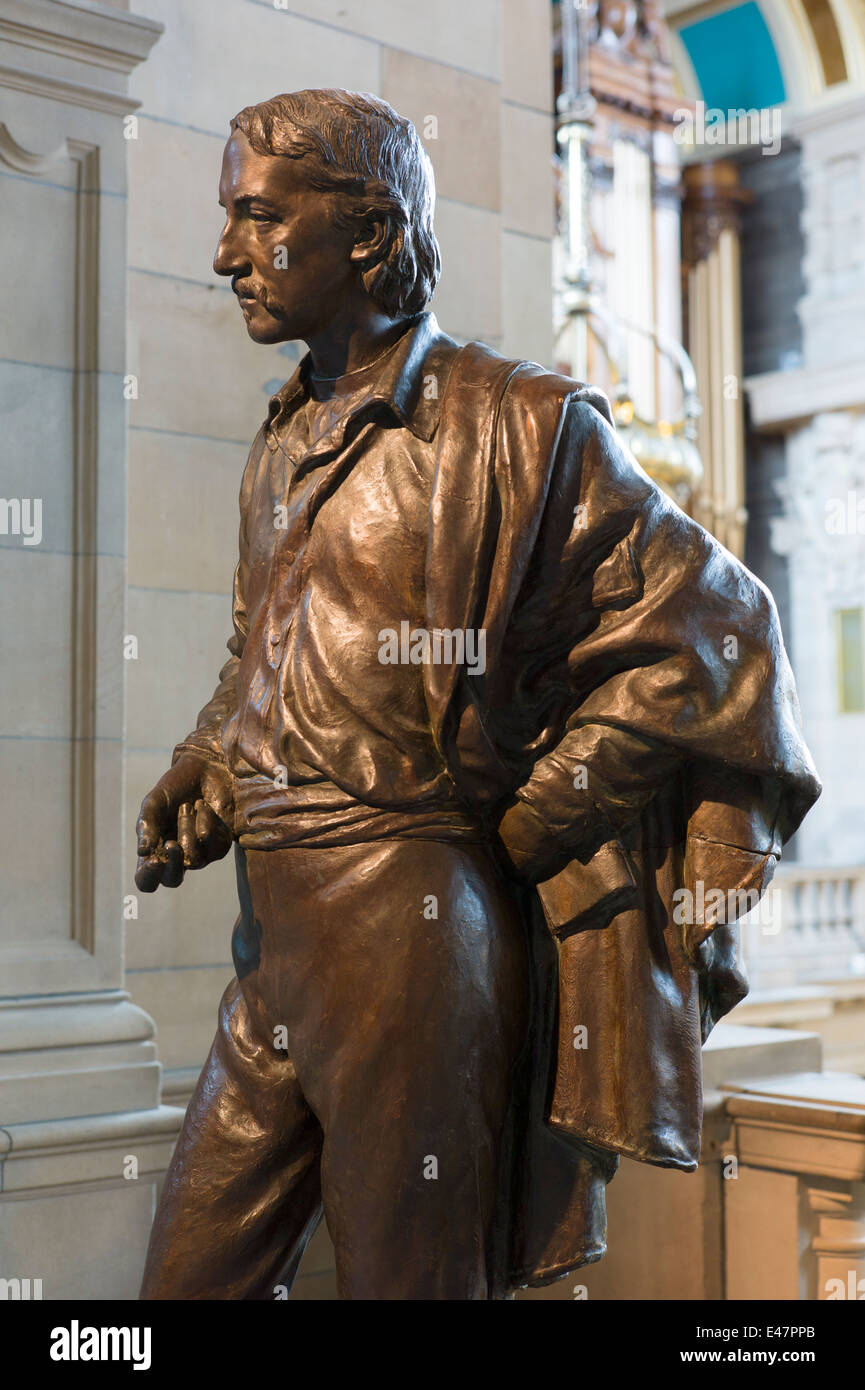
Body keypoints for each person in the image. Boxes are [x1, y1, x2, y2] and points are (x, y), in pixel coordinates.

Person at [136, 89, 820, 1301]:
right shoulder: (283, 433)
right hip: (273, 935)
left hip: (407, 927)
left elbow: (715, 627)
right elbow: (261, 649)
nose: (225, 253)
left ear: (366, 230)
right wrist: (209, 756)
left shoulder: (519, 423)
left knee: (417, 1283)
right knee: (185, 1282)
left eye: (256, 218)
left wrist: (542, 810)